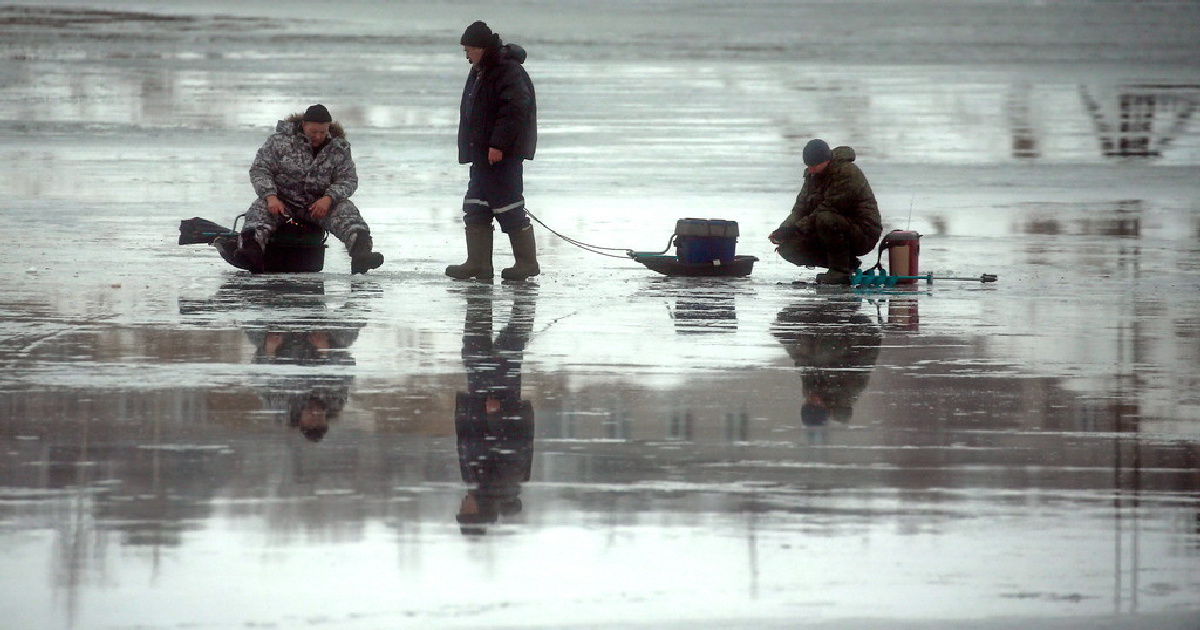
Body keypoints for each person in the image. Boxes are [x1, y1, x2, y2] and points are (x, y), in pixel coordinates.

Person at [235, 104, 384, 275]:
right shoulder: (279, 142)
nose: (318, 136)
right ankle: (251, 253)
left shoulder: (339, 148)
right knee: (259, 212)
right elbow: (260, 170)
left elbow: (348, 179)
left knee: (347, 212)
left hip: (319, 204)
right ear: (304, 125)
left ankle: (361, 254)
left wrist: (328, 198)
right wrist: (271, 197)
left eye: (322, 132)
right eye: (314, 132)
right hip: (283, 201)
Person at [446, 21, 540, 281]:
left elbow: (514, 111)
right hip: (481, 154)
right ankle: (478, 264)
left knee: (508, 206)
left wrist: (498, 144)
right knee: (476, 206)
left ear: (482, 48)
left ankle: (527, 263)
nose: (466, 55)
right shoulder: (480, 70)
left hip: (501, 155)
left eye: (469, 50)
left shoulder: (509, 71)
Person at [454, 283, 537, 535]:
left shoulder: (475, 482)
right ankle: (524, 293)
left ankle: (480, 288)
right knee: (508, 343)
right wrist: (496, 415)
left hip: (480, 400)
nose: (461, 505)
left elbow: (467, 441)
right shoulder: (502, 485)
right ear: (477, 511)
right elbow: (514, 446)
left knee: (474, 343)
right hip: (498, 397)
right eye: (464, 511)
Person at [769, 139, 882, 285]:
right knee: (789, 249)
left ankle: (840, 271)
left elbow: (830, 208)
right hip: (829, 228)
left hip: (863, 232)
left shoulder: (847, 173)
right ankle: (847, 264)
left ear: (826, 160)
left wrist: (796, 229)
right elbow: (800, 209)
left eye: (815, 166)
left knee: (825, 218)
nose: (811, 170)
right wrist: (784, 229)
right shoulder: (812, 176)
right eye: (808, 166)